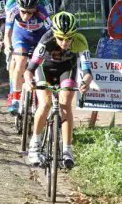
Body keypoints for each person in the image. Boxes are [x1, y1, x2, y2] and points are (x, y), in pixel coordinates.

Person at [23, 12, 92, 168]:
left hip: (66, 71)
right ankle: (35, 144)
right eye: (60, 38)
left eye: (69, 38)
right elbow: (30, 68)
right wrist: (28, 80)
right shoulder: (46, 39)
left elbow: (87, 71)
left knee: (66, 104)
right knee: (45, 104)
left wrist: (85, 83)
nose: (65, 42)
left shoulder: (80, 41)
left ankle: (67, 150)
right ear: (54, 34)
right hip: (45, 70)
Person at [4, 0, 50, 114]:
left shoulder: (42, 13)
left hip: (39, 37)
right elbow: (7, 33)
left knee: (40, 64)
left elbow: (51, 34)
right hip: (21, 36)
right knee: (21, 61)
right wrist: (8, 47)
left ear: (36, 8)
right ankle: (16, 98)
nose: (26, 16)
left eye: (30, 12)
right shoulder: (13, 11)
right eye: (23, 11)